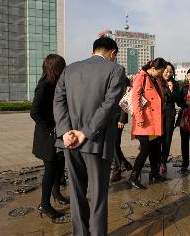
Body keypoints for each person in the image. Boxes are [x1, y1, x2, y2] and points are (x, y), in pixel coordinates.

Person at [53, 37, 127, 236]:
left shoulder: (70, 69)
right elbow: (109, 105)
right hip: (96, 142)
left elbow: (58, 101)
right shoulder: (116, 70)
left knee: (76, 194)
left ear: (93, 50)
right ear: (113, 53)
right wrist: (85, 132)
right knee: (97, 196)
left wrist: (65, 131)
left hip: (69, 142)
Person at [30, 54, 67, 220]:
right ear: (56, 68)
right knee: (50, 169)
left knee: (59, 165)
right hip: (47, 135)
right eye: (62, 66)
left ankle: (56, 193)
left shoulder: (55, 84)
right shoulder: (44, 85)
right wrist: (49, 127)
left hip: (56, 133)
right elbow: (34, 112)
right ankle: (44, 204)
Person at [128, 58, 168, 189]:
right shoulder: (141, 77)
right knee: (144, 149)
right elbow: (135, 98)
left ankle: (154, 173)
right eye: (161, 71)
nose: (161, 74)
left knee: (155, 149)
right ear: (154, 69)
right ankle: (133, 177)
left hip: (153, 121)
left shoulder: (155, 79)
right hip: (144, 121)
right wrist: (139, 118)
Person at [159, 62, 181, 176]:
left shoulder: (175, 84)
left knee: (167, 140)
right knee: (157, 140)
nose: (168, 73)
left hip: (169, 115)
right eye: (166, 71)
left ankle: (163, 162)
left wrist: (173, 91)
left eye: (170, 72)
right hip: (157, 115)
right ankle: (156, 162)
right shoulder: (157, 82)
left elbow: (178, 100)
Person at [110, 78, 133, 182]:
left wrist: (122, 118)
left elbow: (126, 99)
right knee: (112, 144)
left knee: (114, 143)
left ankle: (117, 170)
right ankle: (124, 163)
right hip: (105, 116)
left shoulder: (121, 78)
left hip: (117, 117)